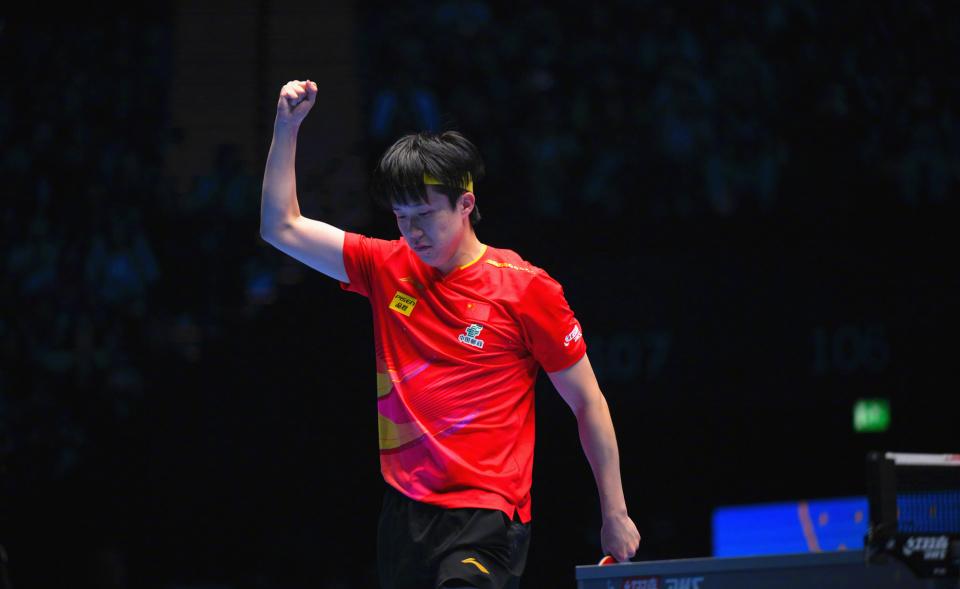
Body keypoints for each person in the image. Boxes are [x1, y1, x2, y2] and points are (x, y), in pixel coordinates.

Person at [260, 80, 640, 589]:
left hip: (485, 513)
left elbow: (587, 402)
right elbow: (280, 227)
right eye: (401, 217)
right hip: (404, 513)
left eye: (425, 215)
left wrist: (614, 512)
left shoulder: (526, 288)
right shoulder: (385, 266)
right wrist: (287, 127)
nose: (412, 232)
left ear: (465, 203)